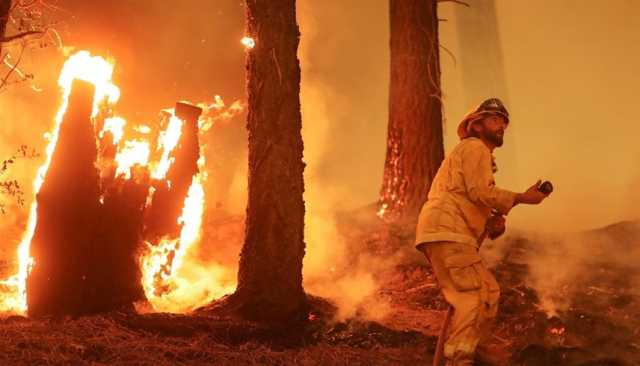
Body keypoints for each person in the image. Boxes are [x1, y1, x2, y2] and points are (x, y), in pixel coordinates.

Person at [415, 98, 550, 365]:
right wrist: (522, 197)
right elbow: (479, 191)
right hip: (447, 229)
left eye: (503, 122)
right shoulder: (475, 148)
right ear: (476, 125)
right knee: (473, 295)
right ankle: (460, 359)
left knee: (486, 292)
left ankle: (468, 352)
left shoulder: (474, 155)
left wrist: (491, 222)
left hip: (451, 231)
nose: (501, 126)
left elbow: (471, 195)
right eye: (494, 119)